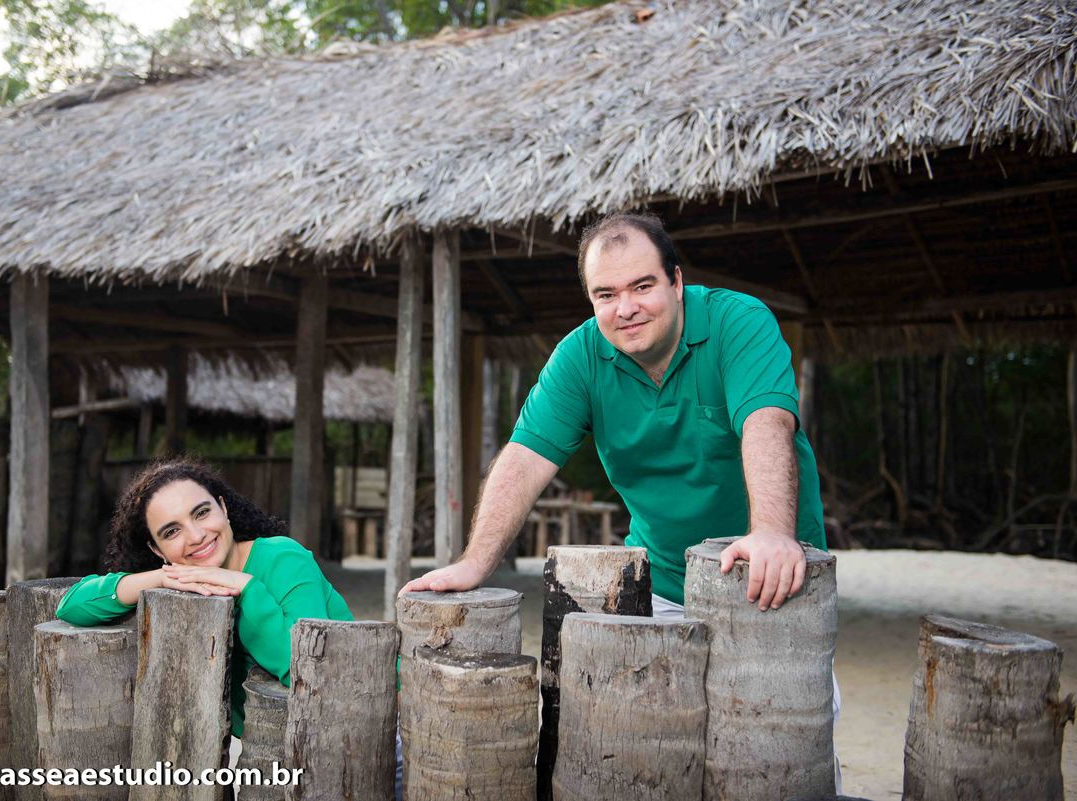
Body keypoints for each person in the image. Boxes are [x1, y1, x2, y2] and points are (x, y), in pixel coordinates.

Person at [402, 211, 827, 609]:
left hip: (770, 572)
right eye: (606, 294)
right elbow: (523, 459)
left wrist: (771, 534)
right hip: (658, 584)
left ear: (675, 282)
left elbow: (767, 424)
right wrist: (474, 562)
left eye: (642, 287)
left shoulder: (739, 322)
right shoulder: (579, 356)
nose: (625, 309)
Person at [55, 457, 355, 741]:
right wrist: (159, 578)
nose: (196, 535)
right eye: (172, 531)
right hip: (276, 750)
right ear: (157, 550)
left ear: (223, 508)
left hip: (368, 726)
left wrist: (247, 589)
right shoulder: (183, 582)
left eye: (201, 513)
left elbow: (306, 669)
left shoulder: (283, 558)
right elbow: (71, 607)